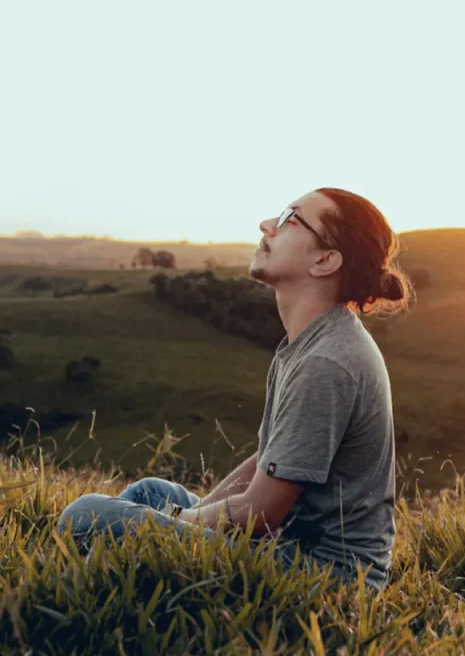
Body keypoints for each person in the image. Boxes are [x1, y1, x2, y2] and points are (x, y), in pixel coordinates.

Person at [58, 188, 413, 591]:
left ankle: (110, 581)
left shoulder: (325, 362)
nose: (266, 225)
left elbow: (260, 514)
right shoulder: (316, 342)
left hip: (325, 576)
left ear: (325, 261)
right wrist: (188, 520)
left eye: (289, 219)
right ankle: (114, 577)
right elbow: (269, 460)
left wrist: (179, 524)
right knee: (150, 492)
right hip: (290, 548)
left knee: (85, 515)